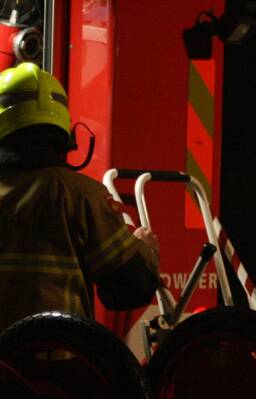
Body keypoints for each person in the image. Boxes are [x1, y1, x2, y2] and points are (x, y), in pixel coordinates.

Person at [0, 62, 160, 331]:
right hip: (55, 362)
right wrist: (146, 249)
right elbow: (130, 289)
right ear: (63, 129)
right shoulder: (81, 195)